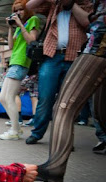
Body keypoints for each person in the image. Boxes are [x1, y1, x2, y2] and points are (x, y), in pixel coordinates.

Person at [26, 0, 105, 182]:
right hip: (90, 40)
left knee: (64, 107)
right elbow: (30, 4)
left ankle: (54, 177)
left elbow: (90, 21)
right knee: (101, 114)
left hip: (100, 41)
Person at [25, 0, 93, 144]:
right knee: (45, 97)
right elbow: (29, 5)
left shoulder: (84, 3)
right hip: (51, 56)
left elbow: (87, 22)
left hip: (75, 56)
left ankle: (64, 139)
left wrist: (71, 4)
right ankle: (37, 133)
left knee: (68, 101)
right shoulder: (53, 5)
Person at [0, 0, 40, 140]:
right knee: (2, 97)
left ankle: (15, 130)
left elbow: (31, 40)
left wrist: (21, 25)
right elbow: (10, 46)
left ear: (27, 9)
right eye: (16, 10)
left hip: (21, 62)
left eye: (21, 9)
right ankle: (16, 127)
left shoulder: (33, 20)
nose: (18, 13)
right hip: (14, 62)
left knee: (8, 97)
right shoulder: (17, 27)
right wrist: (10, 28)